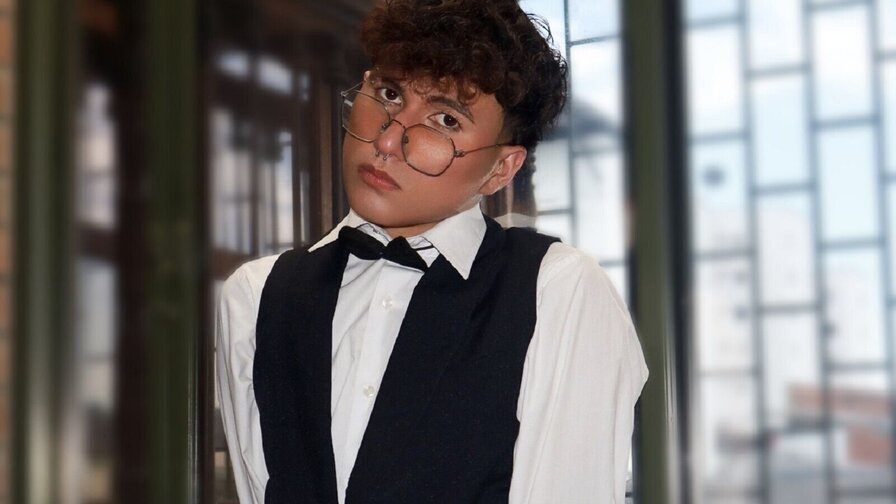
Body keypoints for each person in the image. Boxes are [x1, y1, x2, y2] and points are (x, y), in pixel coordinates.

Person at [215, 0, 648, 502]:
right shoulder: (256, 296)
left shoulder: (556, 292)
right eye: (389, 93)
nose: (389, 141)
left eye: (445, 119)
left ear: (501, 169)